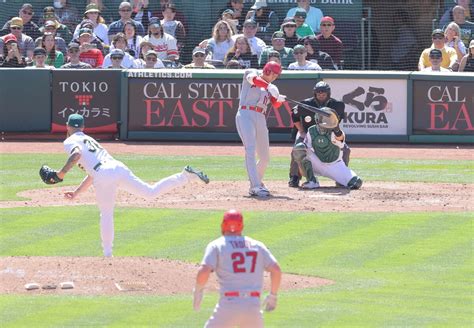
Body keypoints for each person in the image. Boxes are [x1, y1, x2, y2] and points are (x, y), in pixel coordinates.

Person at [56, 113, 209, 257]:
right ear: (83, 128)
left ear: (67, 126)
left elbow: (76, 155)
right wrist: (77, 192)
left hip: (103, 173)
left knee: (106, 213)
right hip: (117, 167)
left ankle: (107, 255)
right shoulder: (90, 140)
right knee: (150, 192)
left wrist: (61, 174)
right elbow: (93, 173)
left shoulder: (69, 141)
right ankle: (184, 176)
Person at [193, 209, 281, 327]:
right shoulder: (257, 245)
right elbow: (276, 270)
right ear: (242, 226)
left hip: (229, 305)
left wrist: (198, 290)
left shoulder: (217, 245)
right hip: (253, 306)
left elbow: (204, 271)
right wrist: (273, 295)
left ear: (223, 224)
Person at [236, 61, 285, 197]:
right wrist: (269, 87)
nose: (274, 77)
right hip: (245, 114)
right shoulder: (251, 73)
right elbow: (254, 80)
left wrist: (279, 99)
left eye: (277, 75)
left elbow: (275, 105)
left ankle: (256, 181)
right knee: (250, 149)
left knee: (264, 157)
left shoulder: (271, 87)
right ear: (267, 70)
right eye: (273, 74)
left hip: (260, 117)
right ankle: (255, 186)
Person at [288, 81, 350, 188]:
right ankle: (294, 177)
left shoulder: (337, 105)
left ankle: (342, 178)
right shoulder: (305, 104)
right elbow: (294, 116)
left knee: (346, 150)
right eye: (318, 93)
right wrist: (301, 131)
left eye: (323, 93)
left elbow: (336, 122)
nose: (321, 95)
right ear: (315, 93)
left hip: (328, 134)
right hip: (308, 133)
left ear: (328, 94)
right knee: (297, 149)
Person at [292, 108, 363, 190]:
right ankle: (312, 181)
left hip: (335, 165)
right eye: (324, 118)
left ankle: (340, 181)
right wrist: (301, 166)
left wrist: (336, 128)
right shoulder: (312, 130)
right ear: (318, 118)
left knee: (356, 182)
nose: (327, 121)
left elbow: (340, 138)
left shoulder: (336, 132)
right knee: (299, 148)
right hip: (318, 162)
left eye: (329, 118)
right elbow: (306, 147)